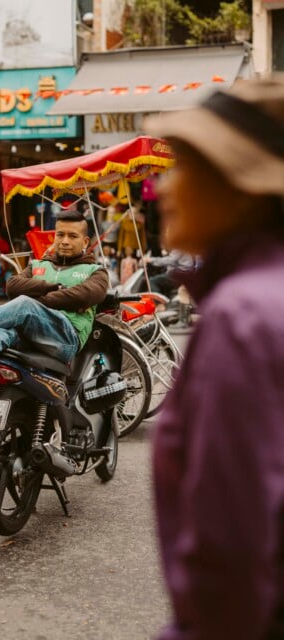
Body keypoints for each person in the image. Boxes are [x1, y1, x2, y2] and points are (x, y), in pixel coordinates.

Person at [146, 75, 284, 640]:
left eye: (183, 166)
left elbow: (228, 557)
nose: (162, 188)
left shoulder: (240, 317)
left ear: (238, 186)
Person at [0, 211, 109, 363]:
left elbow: (82, 296)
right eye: (60, 234)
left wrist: (36, 300)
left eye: (72, 236)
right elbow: (12, 286)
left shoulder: (96, 271)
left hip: (67, 339)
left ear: (85, 242)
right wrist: (56, 288)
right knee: (7, 331)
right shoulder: (38, 264)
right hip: (30, 332)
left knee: (25, 305)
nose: (65, 241)